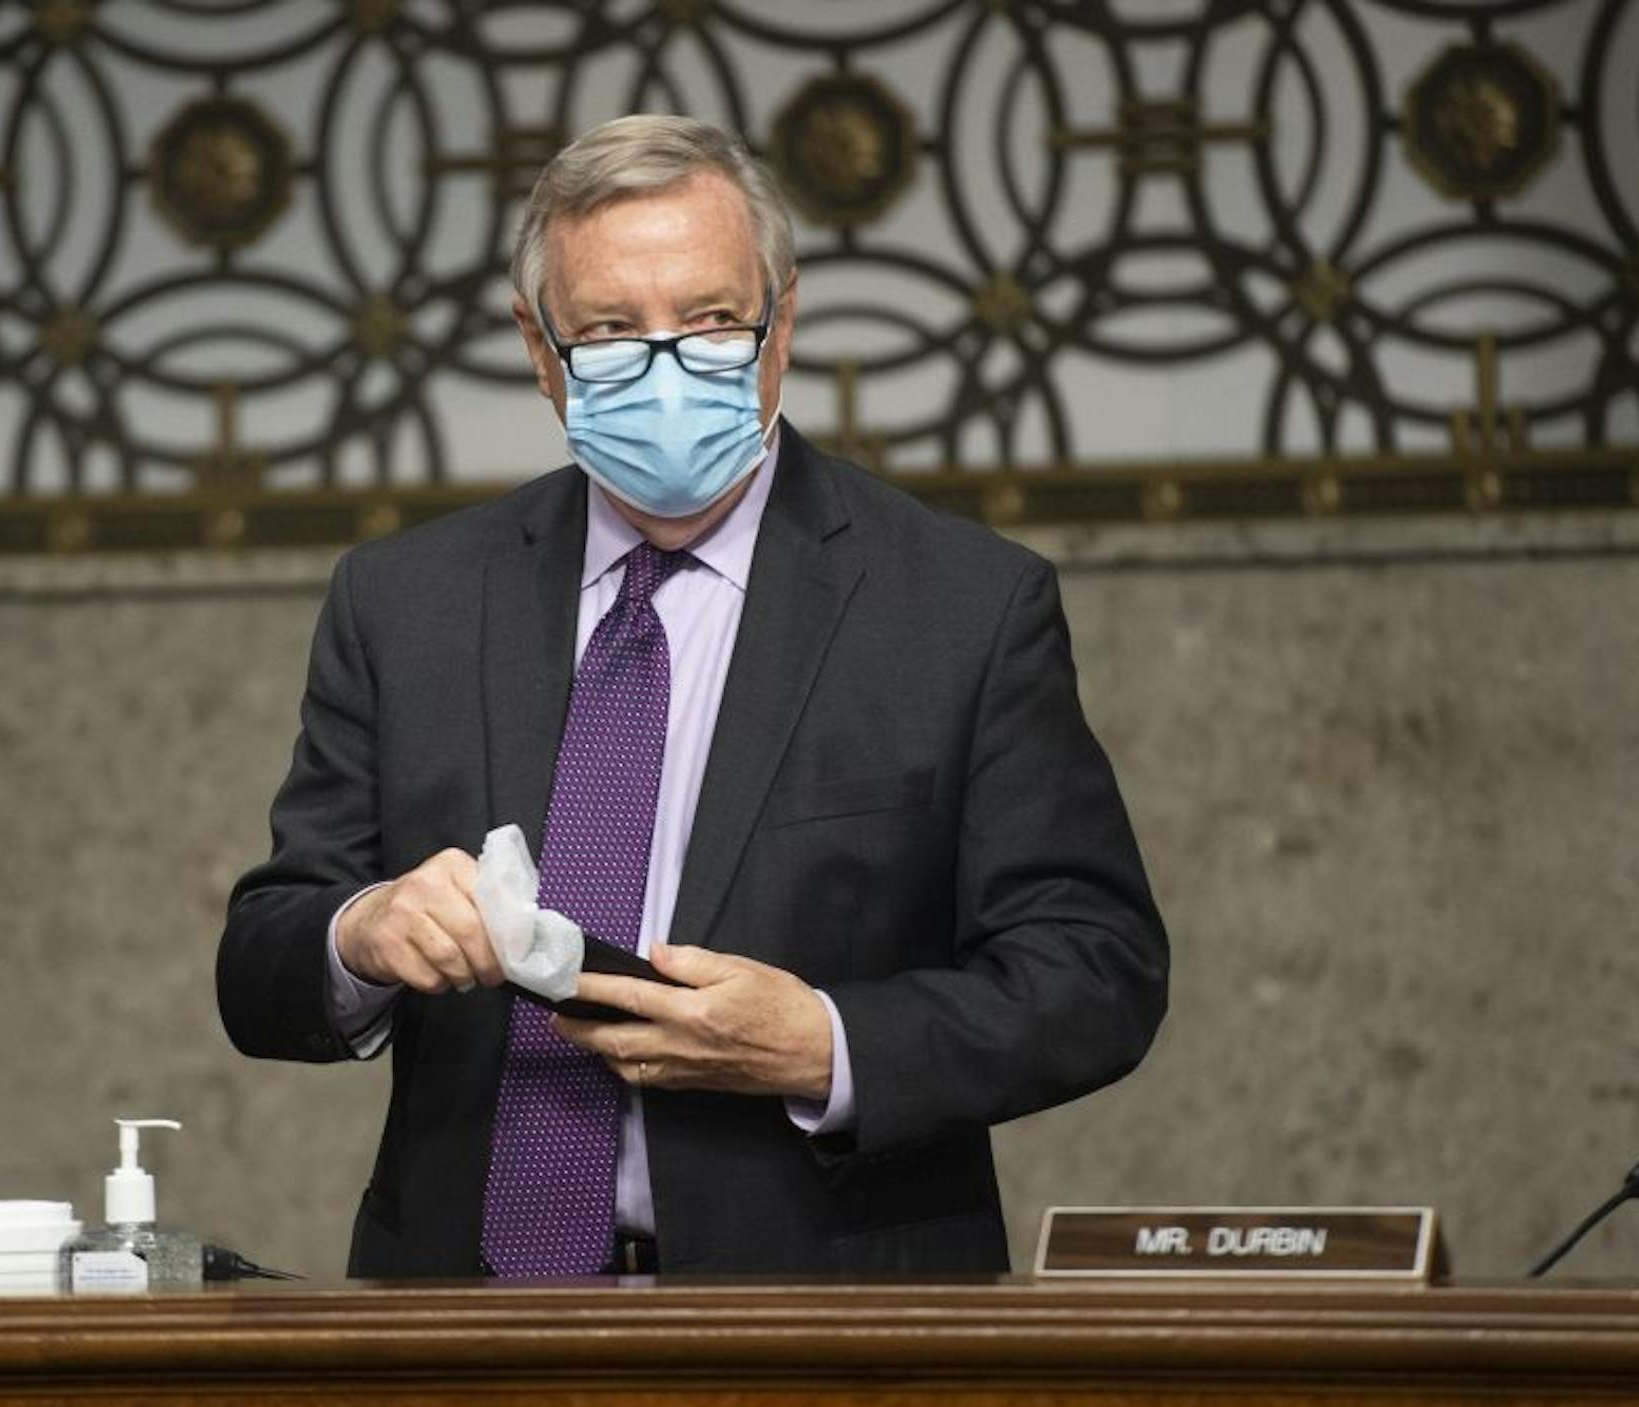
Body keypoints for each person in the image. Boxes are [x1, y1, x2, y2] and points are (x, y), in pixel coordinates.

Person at [216, 114, 1167, 1278]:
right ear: (538, 346)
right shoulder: (402, 601)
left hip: (833, 1324)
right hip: (464, 1319)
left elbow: (1094, 970)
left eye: (710, 320)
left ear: (781, 326)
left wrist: (824, 1043)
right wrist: (356, 936)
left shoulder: (964, 607)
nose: (665, 364)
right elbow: (263, 966)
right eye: (612, 330)